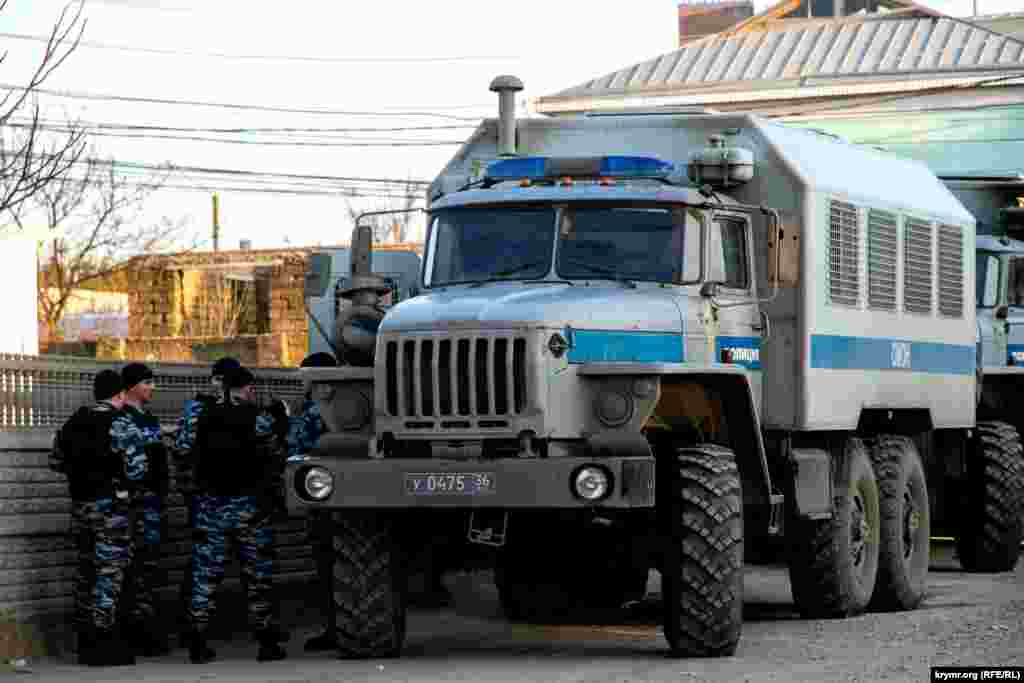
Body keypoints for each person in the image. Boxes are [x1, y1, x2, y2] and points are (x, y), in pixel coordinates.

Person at [186, 366, 288, 664]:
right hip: (249, 507)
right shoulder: (257, 418)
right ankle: (266, 643)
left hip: (210, 506)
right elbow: (277, 454)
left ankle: (197, 642)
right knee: (258, 576)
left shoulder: (201, 416)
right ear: (246, 388)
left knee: (205, 577)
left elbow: (185, 451)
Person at [52, 370, 136, 666]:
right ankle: (103, 641)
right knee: (108, 574)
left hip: (80, 507)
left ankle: (84, 641)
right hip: (110, 510)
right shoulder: (120, 423)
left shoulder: (74, 422)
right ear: (120, 394)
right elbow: (137, 469)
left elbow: (56, 461)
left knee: (85, 572)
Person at [172, 355, 240, 646]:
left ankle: (200, 622)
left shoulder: (231, 408)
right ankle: (192, 624)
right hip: (205, 494)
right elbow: (183, 448)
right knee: (205, 558)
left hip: (225, 493)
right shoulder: (200, 409)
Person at [116, 362, 171, 656]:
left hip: (152, 506)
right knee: (132, 571)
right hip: (133, 508)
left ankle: (145, 628)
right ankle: (134, 632)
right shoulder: (122, 419)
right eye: (147, 383)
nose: (152, 388)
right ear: (132, 386)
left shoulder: (148, 418)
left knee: (148, 570)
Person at [286, 351, 337, 651]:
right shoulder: (338, 408)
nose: (301, 381)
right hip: (332, 493)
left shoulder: (316, 411)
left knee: (327, 565)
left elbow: (297, 446)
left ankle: (334, 628)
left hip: (322, 496)